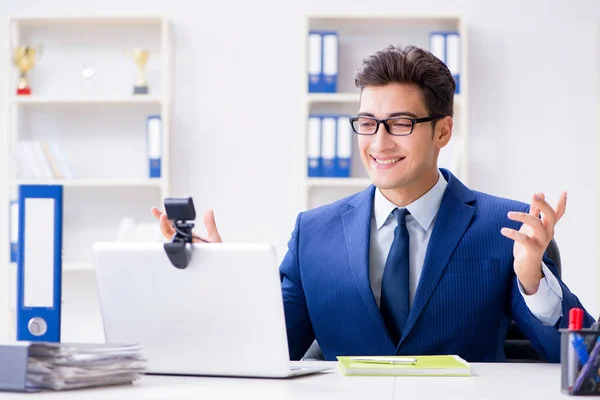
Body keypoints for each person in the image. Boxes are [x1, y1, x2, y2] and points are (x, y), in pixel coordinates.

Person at [152, 45, 594, 362]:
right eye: (366, 123)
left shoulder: (505, 225)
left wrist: (532, 279)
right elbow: (262, 352)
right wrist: (219, 280)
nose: (378, 143)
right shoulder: (314, 232)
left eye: (399, 123)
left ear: (442, 131)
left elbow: (586, 361)